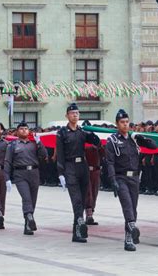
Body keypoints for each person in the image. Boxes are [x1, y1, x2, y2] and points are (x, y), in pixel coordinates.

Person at [105, 109, 157, 251]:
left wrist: (142, 138)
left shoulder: (134, 139)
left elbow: (154, 146)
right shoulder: (113, 141)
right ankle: (131, 232)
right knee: (127, 206)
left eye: (127, 122)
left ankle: (130, 234)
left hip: (134, 178)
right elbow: (109, 162)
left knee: (133, 209)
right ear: (117, 124)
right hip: (121, 177)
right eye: (122, 122)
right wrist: (112, 180)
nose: (125, 125)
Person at [56, 103, 101, 243]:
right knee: (76, 200)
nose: (75, 115)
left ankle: (77, 232)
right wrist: (61, 173)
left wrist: (93, 134)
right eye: (72, 113)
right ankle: (80, 224)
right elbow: (60, 154)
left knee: (82, 200)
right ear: (67, 116)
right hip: (70, 167)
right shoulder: (62, 133)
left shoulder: (82, 132)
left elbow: (97, 142)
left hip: (83, 167)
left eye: (77, 113)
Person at [4, 121, 47, 236]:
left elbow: (44, 155)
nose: (24, 131)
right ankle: (29, 215)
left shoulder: (34, 143)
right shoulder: (12, 145)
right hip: (20, 174)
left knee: (33, 199)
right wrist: (7, 178)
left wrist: (39, 143)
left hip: (34, 172)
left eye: (26, 129)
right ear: (17, 132)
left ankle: (28, 223)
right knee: (26, 197)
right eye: (21, 129)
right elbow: (8, 161)